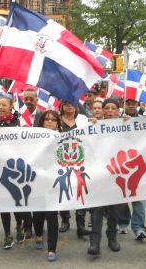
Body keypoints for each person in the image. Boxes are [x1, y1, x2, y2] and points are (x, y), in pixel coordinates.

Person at [0, 80, 32, 248]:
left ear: (11, 106)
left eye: (4, 104)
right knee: (3, 203)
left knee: (16, 201)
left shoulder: (17, 122)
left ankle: (19, 226)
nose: (1, 107)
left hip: (15, 168)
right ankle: (7, 235)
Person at [87, 98, 123, 256]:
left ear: (117, 111)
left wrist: (128, 123)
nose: (109, 110)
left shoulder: (125, 126)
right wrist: (91, 128)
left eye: (113, 108)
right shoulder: (95, 126)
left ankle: (112, 237)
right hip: (98, 176)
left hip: (116, 176)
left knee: (114, 211)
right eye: (106, 108)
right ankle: (94, 242)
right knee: (97, 210)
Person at [33, 110, 61, 262]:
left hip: (54, 182)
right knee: (37, 215)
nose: (50, 121)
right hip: (36, 181)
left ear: (58, 123)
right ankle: (38, 233)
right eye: (47, 119)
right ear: (42, 121)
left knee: (52, 216)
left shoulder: (64, 138)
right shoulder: (33, 138)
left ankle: (52, 249)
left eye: (53, 119)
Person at [118, 98, 146, 241]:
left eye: (133, 103)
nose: (130, 105)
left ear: (137, 105)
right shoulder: (117, 119)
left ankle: (139, 228)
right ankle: (123, 223)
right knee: (122, 195)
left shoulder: (144, 120)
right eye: (128, 103)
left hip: (138, 162)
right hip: (120, 162)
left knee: (139, 197)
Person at [58, 100, 89, 235]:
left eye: (72, 104)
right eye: (66, 104)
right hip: (61, 161)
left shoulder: (84, 120)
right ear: (62, 107)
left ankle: (80, 223)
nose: (69, 106)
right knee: (64, 190)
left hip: (81, 161)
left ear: (77, 107)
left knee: (80, 190)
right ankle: (65, 219)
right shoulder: (56, 120)